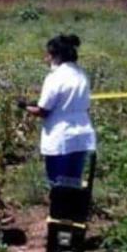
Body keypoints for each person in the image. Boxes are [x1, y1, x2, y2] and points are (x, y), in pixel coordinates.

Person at [18, 34, 96, 187]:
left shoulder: (55, 77)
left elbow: (43, 111)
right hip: (81, 133)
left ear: (56, 55)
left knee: (57, 182)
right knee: (74, 182)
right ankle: (73, 210)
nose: (46, 58)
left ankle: (59, 211)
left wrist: (24, 106)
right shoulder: (82, 75)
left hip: (61, 135)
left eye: (48, 54)